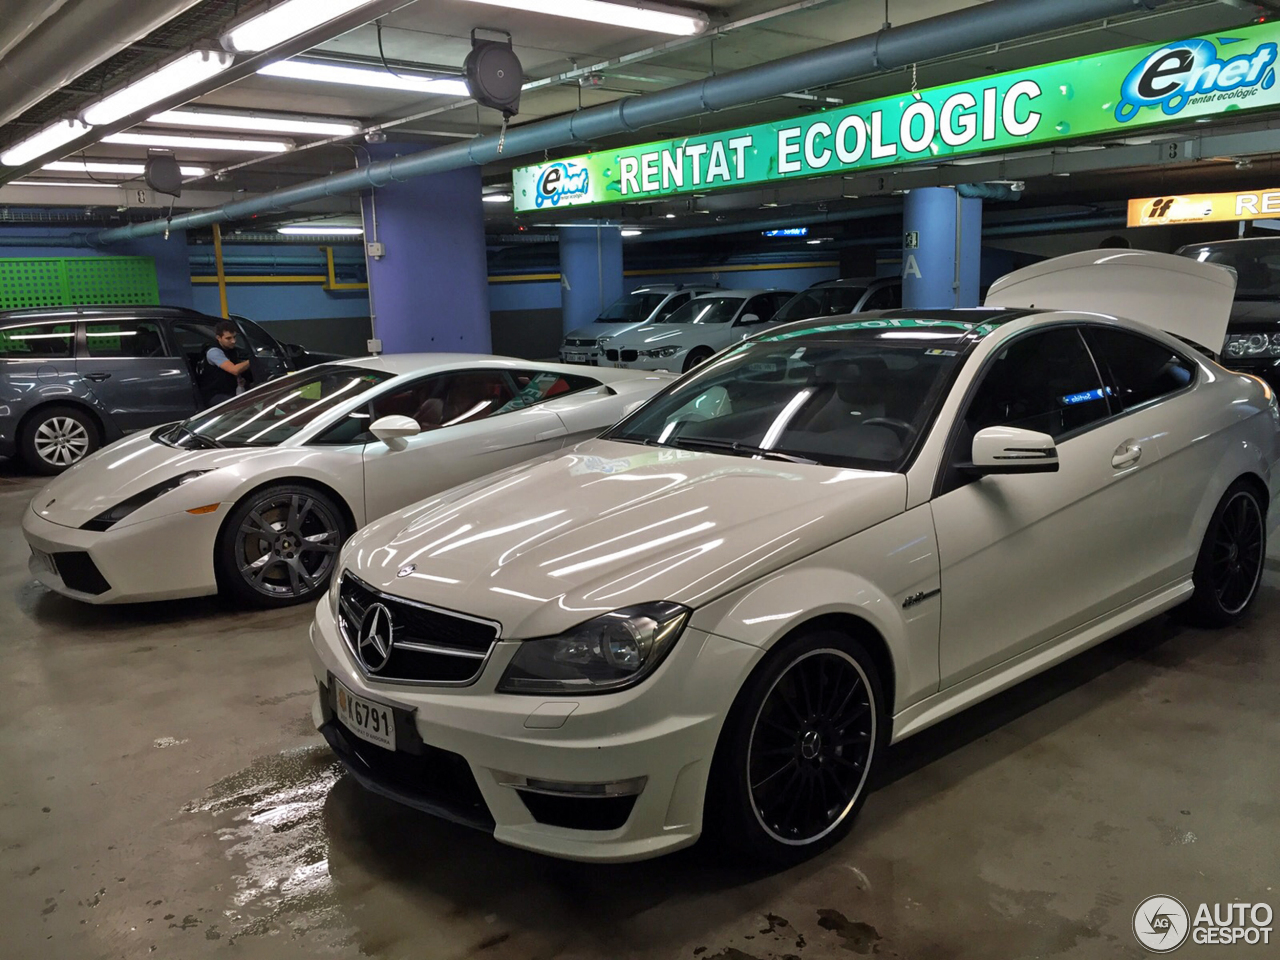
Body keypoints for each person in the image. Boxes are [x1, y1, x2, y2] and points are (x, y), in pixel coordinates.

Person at [201, 321, 251, 408]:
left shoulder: (232, 350)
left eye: (234, 337)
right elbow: (234, 370)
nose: (233, 341)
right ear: (218, 338)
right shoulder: (214, 352)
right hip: (215, 395)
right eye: (228, 338)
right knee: (240, 407)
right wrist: (252, 360)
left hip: (230, 391)